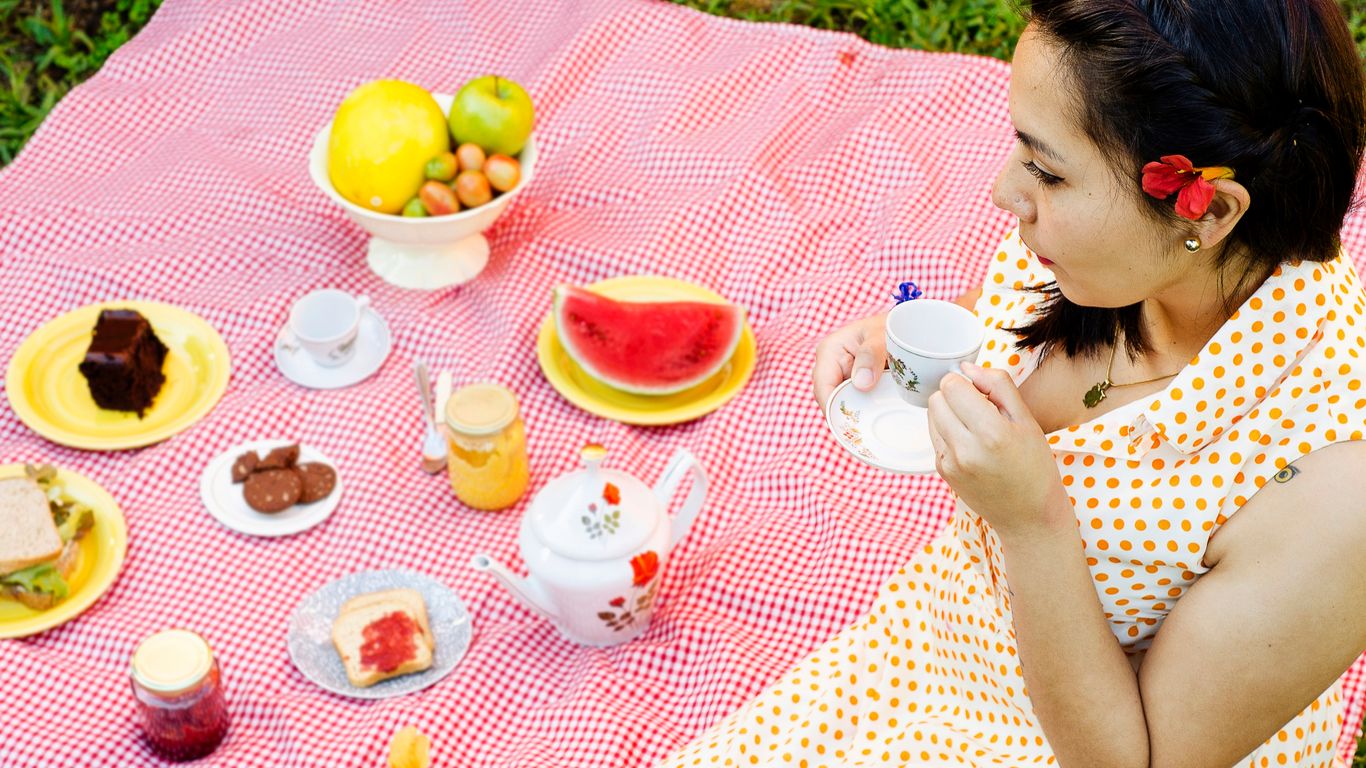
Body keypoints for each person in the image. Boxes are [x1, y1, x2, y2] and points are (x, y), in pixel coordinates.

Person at [662, 1, 1366, 766]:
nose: (1004, 193)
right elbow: (1006, 317)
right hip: (943, 646)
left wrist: (1034, 521)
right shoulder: (1117, 260)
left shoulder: (1337, 499)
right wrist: (914, 347)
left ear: (1209, 209)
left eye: (1048, 171)